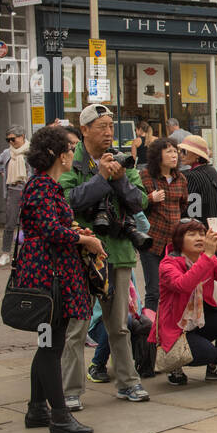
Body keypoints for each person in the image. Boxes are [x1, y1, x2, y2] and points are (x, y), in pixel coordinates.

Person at [59, 103, 151, 409]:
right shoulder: (71, 162)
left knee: (119, 325)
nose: (109, 132)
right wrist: (100, 178)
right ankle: (71, 390)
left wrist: (120, 178)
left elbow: (140, 202)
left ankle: (128, 382)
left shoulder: (124, 160)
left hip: (119, 251)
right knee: (77, 327)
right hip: (83, 251)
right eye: (102, 126)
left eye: (111, 126)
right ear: (84, 130)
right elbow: (67, 201)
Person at [15, 126, 104, 433]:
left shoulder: (45, 186)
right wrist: (83, 239)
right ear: (57, 154)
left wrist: (78, 233)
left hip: (50, 271)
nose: (72, 153)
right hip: (47, 275)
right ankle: (59, 415)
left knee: (48, 343)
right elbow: (51, 231)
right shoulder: (41, 186)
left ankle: (37, 408)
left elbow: (53, 226)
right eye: (69, 148)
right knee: (51, 344)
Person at [153, 219, 217, 385]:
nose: (199, 238)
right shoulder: (168, 264)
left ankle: (216, 366)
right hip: (176, 328)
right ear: (179, 239)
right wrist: (209, 255)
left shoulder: (206, 260)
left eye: (202, 234)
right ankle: (174, 364)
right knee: (207, 352)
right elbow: (184, 285)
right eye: (192, 234)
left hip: (199, 321)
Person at [138, 136, 188, 313]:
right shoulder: (145, 176)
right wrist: (150, 199)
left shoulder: (180, 178)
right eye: (169, 152)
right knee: (154, 291)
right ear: (158, 155)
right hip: (152, 241)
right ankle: (151, 334)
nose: (174, 155)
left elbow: (183, 204)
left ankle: (170, 329)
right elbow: (134, 204)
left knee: (175, 287)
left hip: (173, 243)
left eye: (175, 151)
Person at [0, 126, 29, 263]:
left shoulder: (29, 151)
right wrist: (2, 172)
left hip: (27, 189)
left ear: (22, 137)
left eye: (13, 139)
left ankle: (25, 252)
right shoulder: (7, 153)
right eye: (8, 139)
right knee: (10, 223)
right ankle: (5, 252)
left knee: (27, 222)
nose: (11, 142)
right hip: (13, 189)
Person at [180, 134, 217, 228]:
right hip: (216, 226)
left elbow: (191, 211)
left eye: (184, 151)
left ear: (196, 155)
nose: (181, 155)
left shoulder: (192, 176)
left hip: (200, 230)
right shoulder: (211, 171)